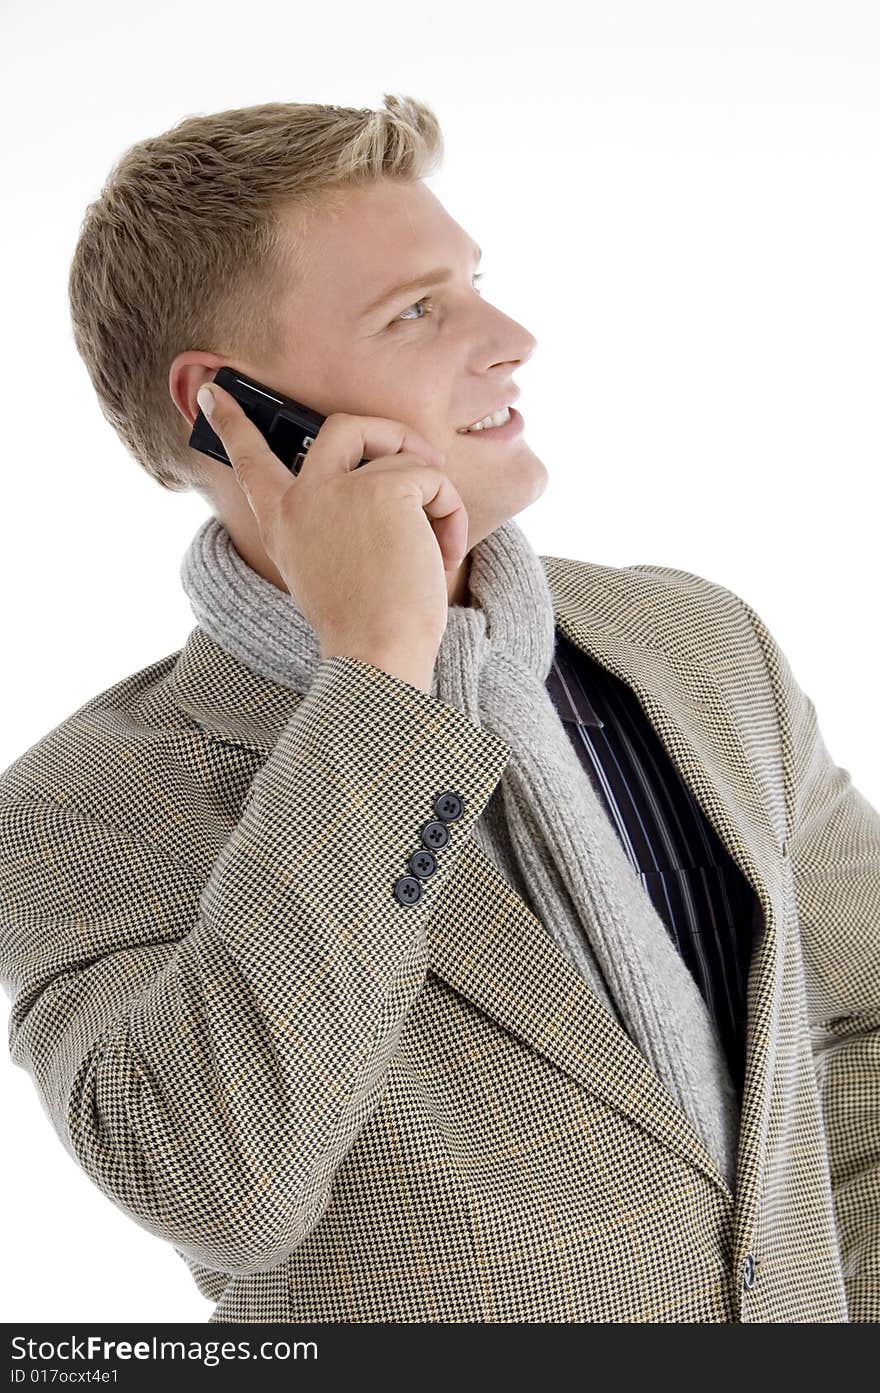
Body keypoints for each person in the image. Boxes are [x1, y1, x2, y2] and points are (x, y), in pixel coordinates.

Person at [1, 96, 877, 1324]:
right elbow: (222, 1184)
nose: (513, 337)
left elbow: (864, 1013)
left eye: (474, 284)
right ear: (230, 409)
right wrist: (377, 666)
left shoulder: (697, 647)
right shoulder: (74, 808)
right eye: (419, 310)